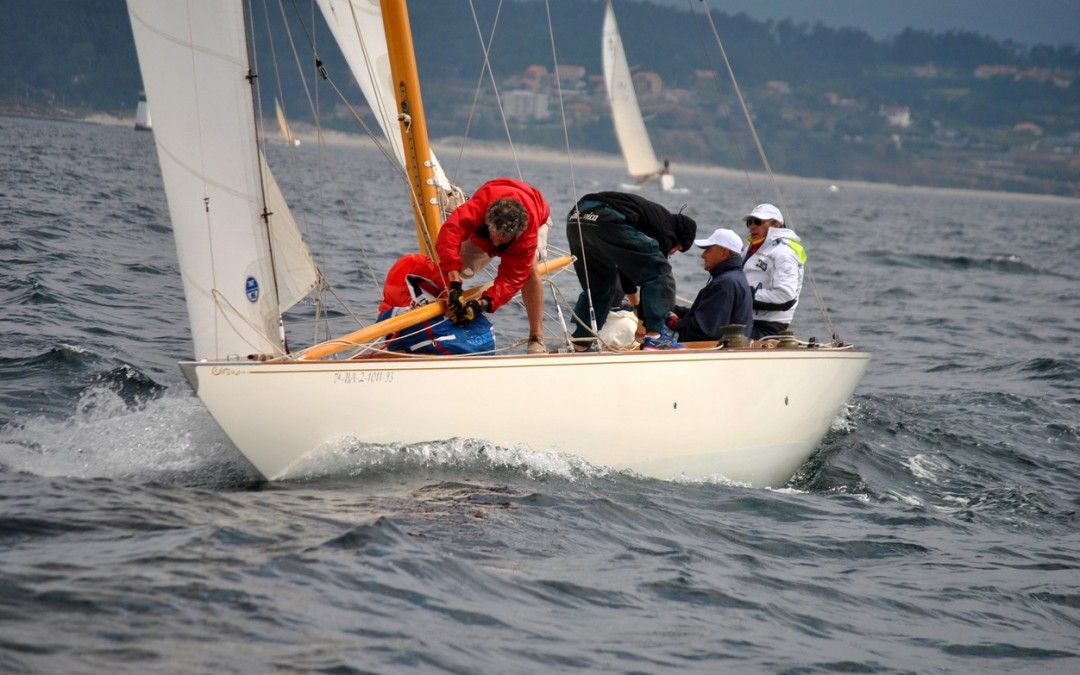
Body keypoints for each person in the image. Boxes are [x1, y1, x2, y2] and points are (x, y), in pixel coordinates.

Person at [565, 191, 697, 350]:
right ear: (677, 238)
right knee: (660, 272)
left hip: (578, 217)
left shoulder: (654, 219)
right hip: (607, 217)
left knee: (599, 288)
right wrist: (644, 327)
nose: (673, 252)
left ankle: (581, 344)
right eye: (678, 248)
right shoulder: (666, 232)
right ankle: (655, 338)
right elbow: (652, 279)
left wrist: (636, 307)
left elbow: (626, 267)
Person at [435, 178, 551, 354]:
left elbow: (511, 280)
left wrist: (481, 304)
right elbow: (450, 232)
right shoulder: (479, 207)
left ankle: (536, 337)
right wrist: (455, 284)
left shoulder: (525, 235)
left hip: (536, 218)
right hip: (485, 228)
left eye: (502, 240)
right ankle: (439, 318)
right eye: (494, 235)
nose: (496, 243)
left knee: (529, 270)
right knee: (449, 262)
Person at [668, 228, 753, 343]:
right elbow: (709, 316)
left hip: (713, 356)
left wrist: (670, 320)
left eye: (708, 250)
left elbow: (703, 331)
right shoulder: (734, 278)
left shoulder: (725, 283)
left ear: (724, 252)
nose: (703, 255)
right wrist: (674, 309)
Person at [741, 203, 806, 340]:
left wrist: (744, 295)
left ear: (775, 225)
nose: (752, 226)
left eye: (758, 222)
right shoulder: (751, 248)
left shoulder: (784, 253)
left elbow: (785, 296)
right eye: (750, 222)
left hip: (767, 328)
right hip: (745, 321)